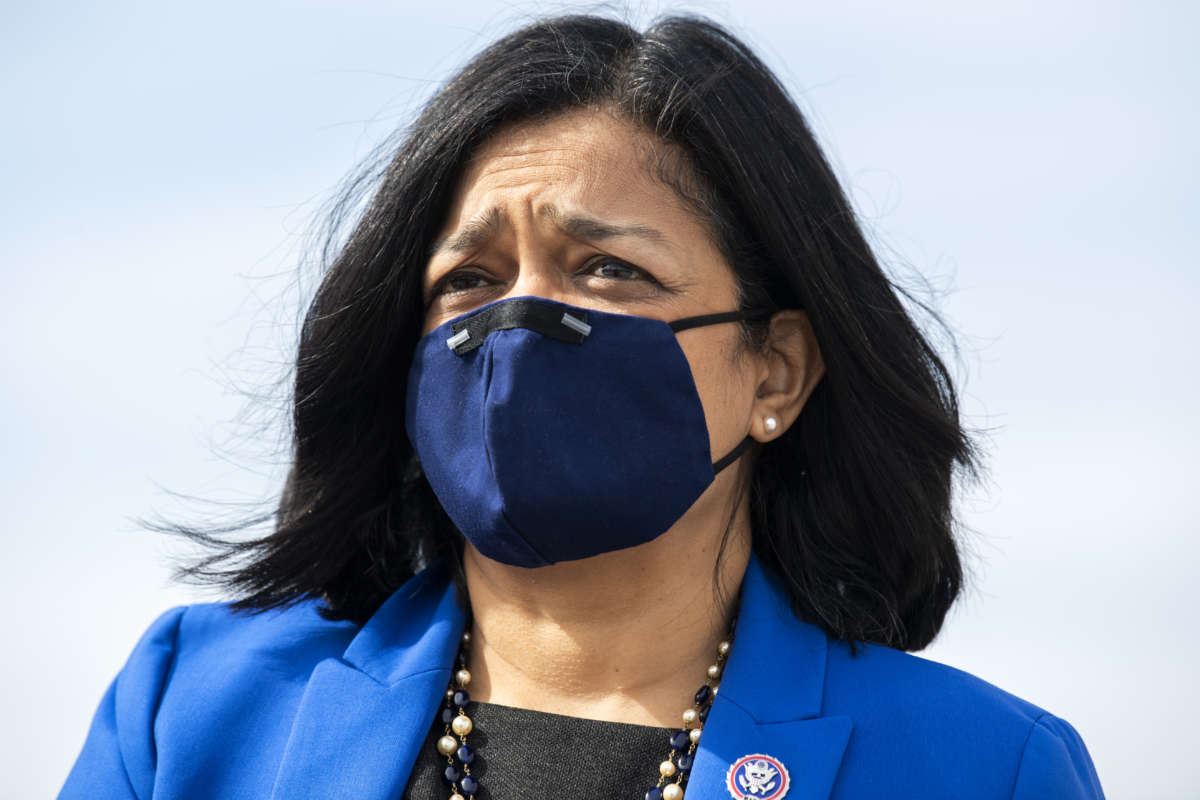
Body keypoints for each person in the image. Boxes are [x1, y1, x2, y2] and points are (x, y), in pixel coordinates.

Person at [61, 12, 1105, 800]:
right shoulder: (190, 709)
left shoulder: (985, 765)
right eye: (468, 278)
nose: (516, 324)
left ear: (775, 372)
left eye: (605, 269)